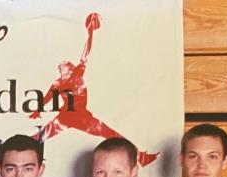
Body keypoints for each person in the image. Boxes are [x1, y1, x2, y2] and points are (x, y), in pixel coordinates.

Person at [29, 12, 158, 167]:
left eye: (68, 64)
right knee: (38, 137)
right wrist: (37, 111)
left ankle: (141, 157)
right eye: (64, 66)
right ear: (60, 70)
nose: (67, 66)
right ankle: (0, 160)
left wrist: (90, 32)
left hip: (83, 117)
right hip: (66, 117)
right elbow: (47, 97)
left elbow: (86, 51)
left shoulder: (77, 72)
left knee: (112, 135)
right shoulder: (58, 83)